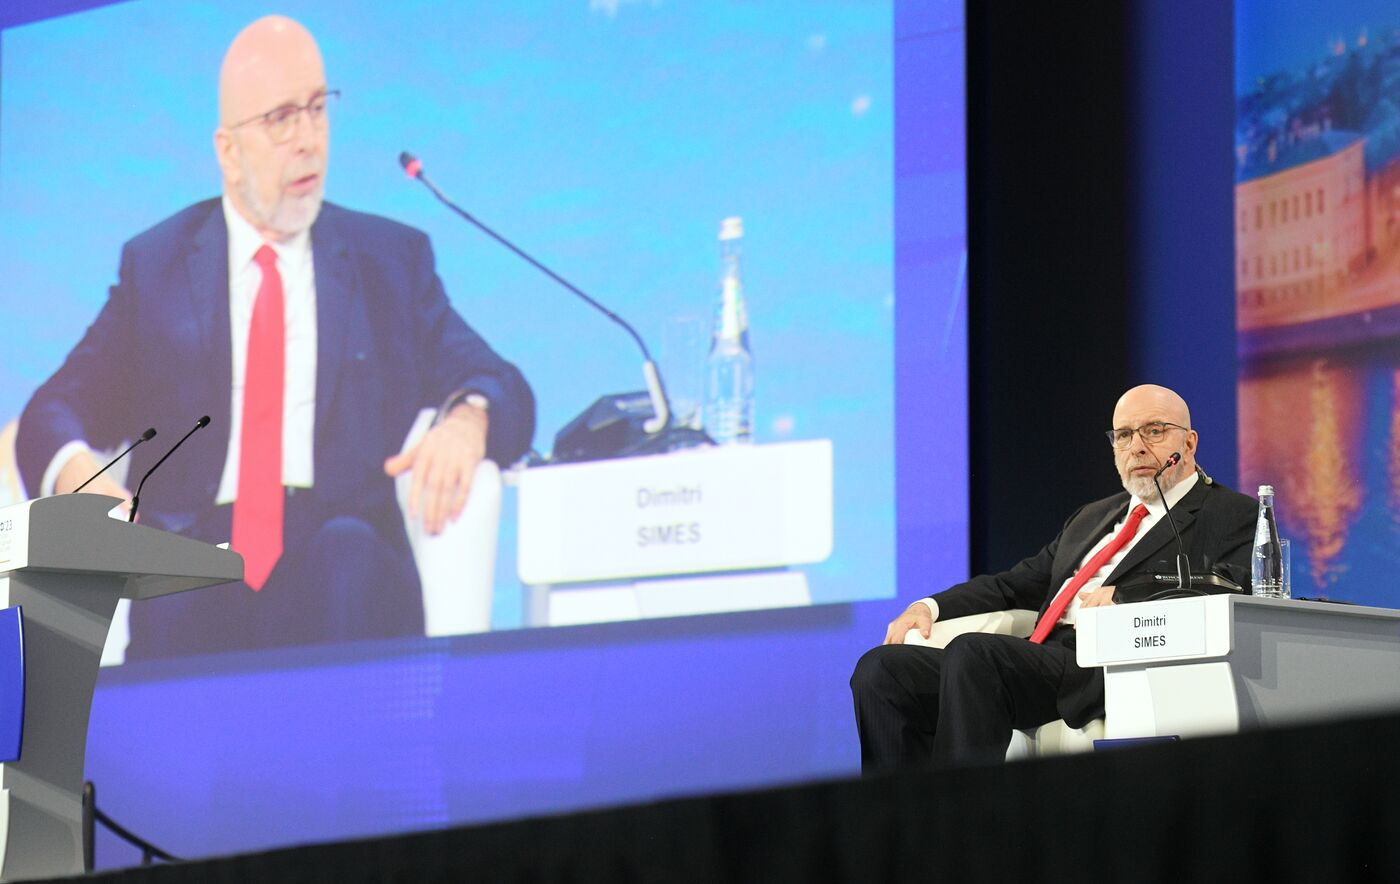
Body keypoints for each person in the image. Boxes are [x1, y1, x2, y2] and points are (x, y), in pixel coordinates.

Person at [15, 15, 534, 659]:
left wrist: (467, 422)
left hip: (344, 556)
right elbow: (52, 411)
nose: (309, 140)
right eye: (281, 119)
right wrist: (79, 474)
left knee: (346, 556)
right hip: (196, 560)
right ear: (228, 151)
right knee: (179, 581)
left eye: (318, 110)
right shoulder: (157, 269)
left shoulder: (388, 263)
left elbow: (497, 379)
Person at [850, 384, 1257, 770]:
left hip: (1102, 662)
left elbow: (1231, 583)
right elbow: (1014, 584)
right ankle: (899, 826)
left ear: (1189, 443)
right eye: (1123, 435)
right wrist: (928, 606)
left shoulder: (1229, 512)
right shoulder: (1092, 517)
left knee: (976, 654)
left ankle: (960, 825)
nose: (1137, 447)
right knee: (883, 669)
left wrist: (1128, 595)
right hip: (1038, 660)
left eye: (1154, 431)